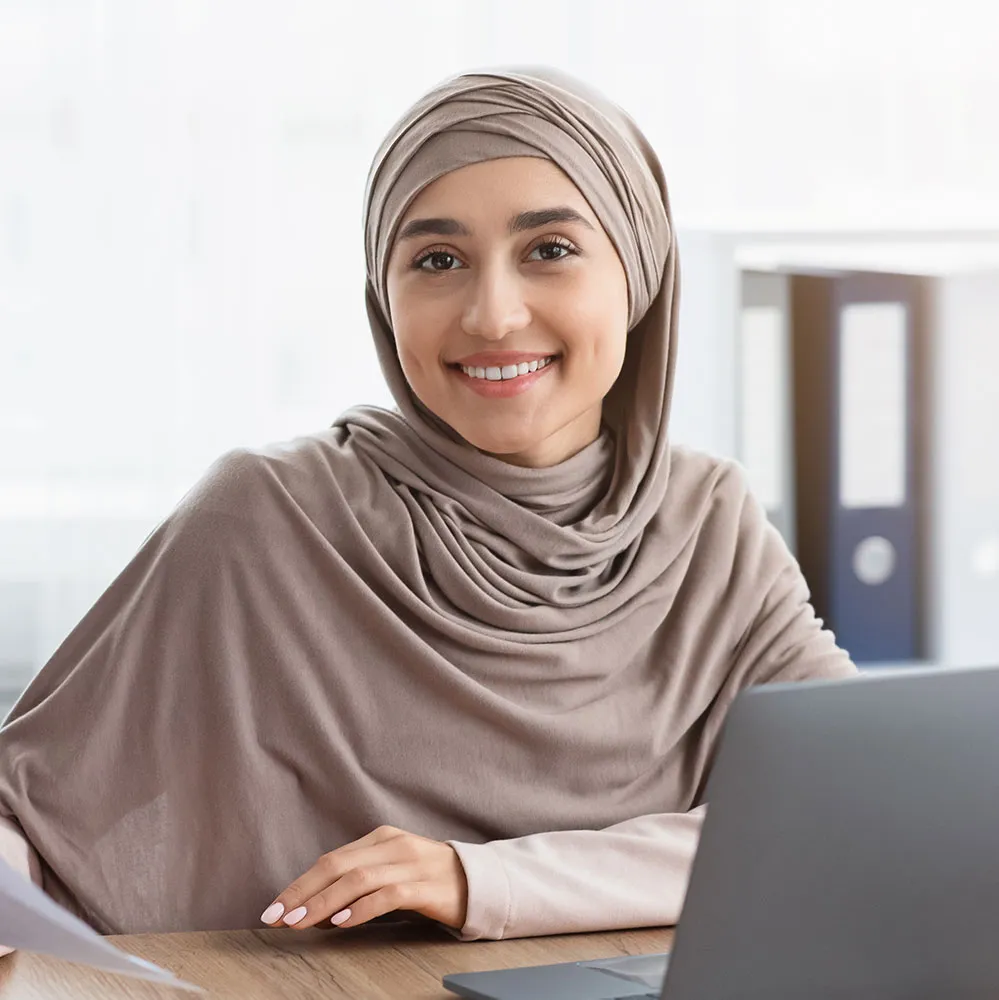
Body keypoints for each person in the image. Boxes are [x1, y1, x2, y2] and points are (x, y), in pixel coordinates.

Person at [0, 67, 857, 952]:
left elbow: (849, 808)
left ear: (637, 274)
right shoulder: (269, 518)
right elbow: (30, 815)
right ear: (384, 295)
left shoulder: (709, 526)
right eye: (437, 261)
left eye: (549, 250)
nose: (493, 315)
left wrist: (479, 879)